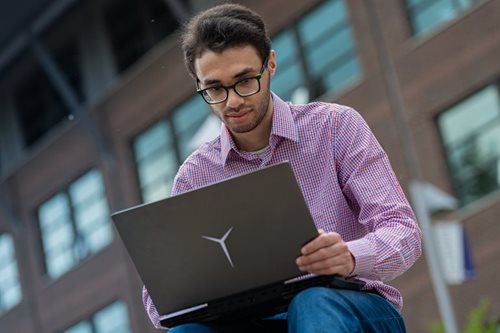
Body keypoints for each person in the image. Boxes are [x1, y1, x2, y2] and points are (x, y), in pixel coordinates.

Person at [142, 3, 422, 332]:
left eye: (244, 80)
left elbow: (404, 233)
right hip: (250, 322)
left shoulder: (335, 126)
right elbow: (156, 301)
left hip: (349, 306)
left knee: (312, 301)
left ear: (271, 64)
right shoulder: (193, 175)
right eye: (215, 89)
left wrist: (349, 256)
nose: (232, 101)